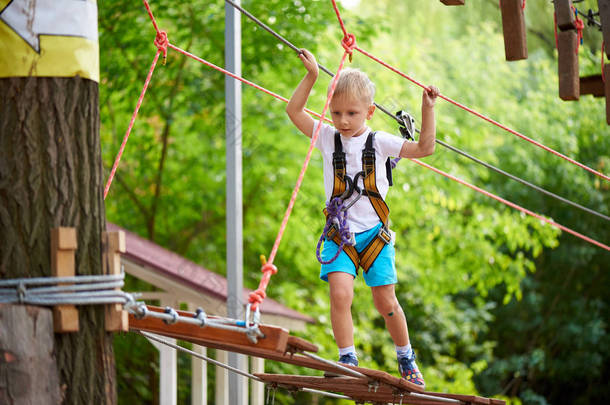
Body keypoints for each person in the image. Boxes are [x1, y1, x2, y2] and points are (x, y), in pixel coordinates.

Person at [286, 49, 439, 386]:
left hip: (374, 236)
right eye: (336, 112)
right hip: (340, 235)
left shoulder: (379, 142)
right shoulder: (327, 138)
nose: (342, 121)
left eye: (352, 113)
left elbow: (425, 148)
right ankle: (347, 357)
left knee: (385, 301)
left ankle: (405, 355)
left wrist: (428, 108)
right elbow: (293, 111)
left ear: (369, 112)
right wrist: (311, 77)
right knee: (340, 295)